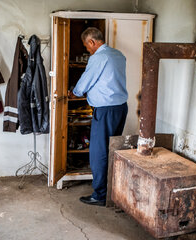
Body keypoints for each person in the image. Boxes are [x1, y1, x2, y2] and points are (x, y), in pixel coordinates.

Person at [69, 27, 128, 206]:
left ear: (92, 42)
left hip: (105, 110)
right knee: (112, 150)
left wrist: (75, 92)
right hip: (120, 108)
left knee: (99, 153)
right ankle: (112, 189)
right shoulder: (118, 55)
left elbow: (85, 82)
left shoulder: (98, 57)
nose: (88, 50)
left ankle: (100, 195)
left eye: (87, 46)